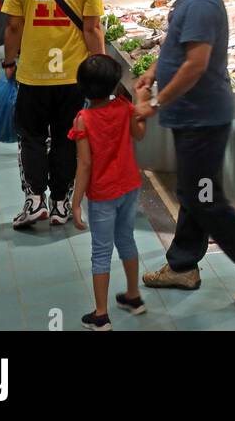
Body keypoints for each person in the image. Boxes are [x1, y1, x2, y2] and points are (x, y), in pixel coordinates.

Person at [133, 0, 235, 304]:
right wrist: (153, 71)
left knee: (204, 197)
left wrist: (156, 103)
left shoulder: (203, 4)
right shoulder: (189, 1)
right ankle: (182, 267)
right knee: (192, 193)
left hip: (204, 118)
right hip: (190, 117)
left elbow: (195, 65)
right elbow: (175, 47)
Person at [2, 0, 105, 228]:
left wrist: (8, 61)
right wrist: (100, 69)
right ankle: (61, 203)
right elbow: (92, 29)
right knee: (66, 138)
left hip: (33, 74)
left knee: (31, 136)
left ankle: (34, 201)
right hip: (72, 77)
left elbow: (13, 28)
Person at [69, 53, 146, 332]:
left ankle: (101, 315)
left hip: (103, 194)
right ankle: (134, 296)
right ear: (115, 86)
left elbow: (85, 165)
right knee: (126, 239)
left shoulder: (83, 120)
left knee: (101, 252)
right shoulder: (124, 107)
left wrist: (76, 202)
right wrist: (141, 105)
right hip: (129, 186)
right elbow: (139, 134)